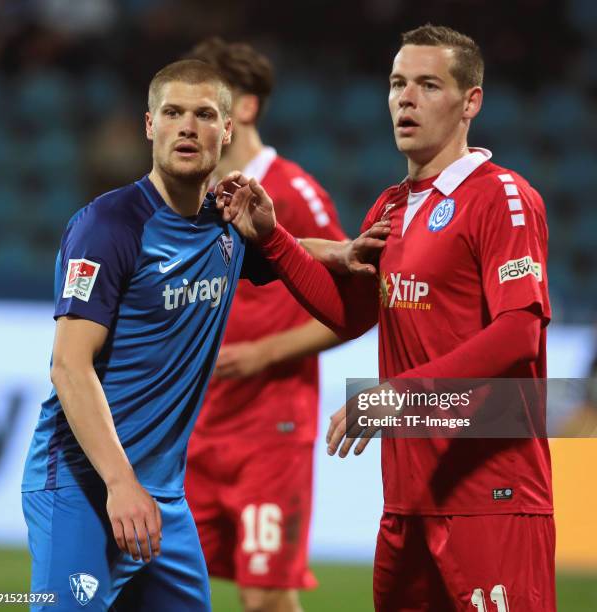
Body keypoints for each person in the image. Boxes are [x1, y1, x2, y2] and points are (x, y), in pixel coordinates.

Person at [216, 24, 554, 611]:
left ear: (470, 101)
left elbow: (519, 334)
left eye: (428, 85)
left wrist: (398, 396)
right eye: (398, 83)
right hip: (407, 495)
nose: (406, 98)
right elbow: (349, 316)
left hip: (489, 493)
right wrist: (273, 239)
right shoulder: (392, 206)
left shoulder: (502, 197)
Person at [20, 59, 275, 611]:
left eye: (204, 114)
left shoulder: (224, 225)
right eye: (173, 112)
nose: (187, 126)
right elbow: (69, 366)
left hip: (161, 497)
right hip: (84, 485)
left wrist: (343, 253)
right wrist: (119, 484)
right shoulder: (108, 228)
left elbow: (293, 257)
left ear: (227, 132)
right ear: (149, 126)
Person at [182, 38, 346, 612]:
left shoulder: (293, 192)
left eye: (206, 108)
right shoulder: (188, 196)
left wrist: (264, 352)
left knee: (265, 598)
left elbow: (354, 310)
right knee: (159, 587)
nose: (191, 122)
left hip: (271, 427)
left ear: (244, 109)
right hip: (196, 429)